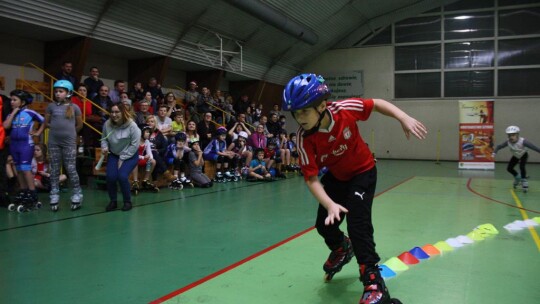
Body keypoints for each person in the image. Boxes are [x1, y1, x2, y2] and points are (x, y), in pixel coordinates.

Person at [282, 73, 427, 304]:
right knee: (324, 225)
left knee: (358, 223)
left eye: (304, 111)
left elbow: (376, 104)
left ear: (322, 105)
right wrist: (329, 204)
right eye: (295, 113)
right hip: (337, 177)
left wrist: (403, 117)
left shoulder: (344, 109)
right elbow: (311, 178)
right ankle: (342, 247)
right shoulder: (304, 138)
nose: (299, 118)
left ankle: (372, 280)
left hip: (363, 172)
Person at [44, 80, 84, 211]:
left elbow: (79, 125)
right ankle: (54, 193)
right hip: (54, 142)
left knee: (71, 168)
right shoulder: (51, 106)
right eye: (56, 91)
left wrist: (70, 134)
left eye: (60, 91)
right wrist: (56, 129)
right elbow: (47, 123)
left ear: (68, 93)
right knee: (54, 169)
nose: (57, 93)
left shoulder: (75, 108)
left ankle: (77, 193)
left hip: (69, 143)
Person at [3, 89, 45, 211]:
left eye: (14, 100)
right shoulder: (11, 114)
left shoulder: (30, 113)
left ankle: (32, 193)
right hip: (14, 145)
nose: (11, 102)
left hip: (26, 145)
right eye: (11, 99)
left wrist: (37, 132)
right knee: (19, 170)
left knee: (26, 170)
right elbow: (6, 126)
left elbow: (45, 121)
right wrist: (14, 112)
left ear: (23, 102)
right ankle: (23, 190)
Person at [101, 103, 141, 212]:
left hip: (130, 155)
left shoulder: (132, 126)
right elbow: (104, 138)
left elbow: (134, 145)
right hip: (114, 154)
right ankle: (113, 201)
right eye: (112, 112)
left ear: (123, 112)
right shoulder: (107, 124)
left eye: (117, 112)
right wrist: (104, 147)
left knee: (122, 176)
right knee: (111, 177)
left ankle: (127, 201)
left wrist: (122, 158)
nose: (114, 114)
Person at [493, 125, 540, 193]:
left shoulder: (523, 141)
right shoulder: (508, 142)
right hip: (516, 155)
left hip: (523, 154)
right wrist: (494, 152)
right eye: (509, 135)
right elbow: (499, 146)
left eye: (513, 135)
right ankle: (518, 177)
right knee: (509, 168)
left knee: (522, 166)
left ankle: (524, 180)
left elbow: (534, 147)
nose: (511, 137)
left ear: (517, 135)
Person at [130, 124, 158, 195]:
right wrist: (143, 157)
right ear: (141, 133)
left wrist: (150, 158)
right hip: (133, 158)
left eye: (149, 132)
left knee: (153, 161)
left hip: (141, 158)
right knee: (134, 160)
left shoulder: (147, 142)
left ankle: (145, 180)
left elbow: (149, 152)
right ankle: (135, 182)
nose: (148, 134)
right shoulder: (135, 141)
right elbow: (133, 154)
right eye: (147, 132)